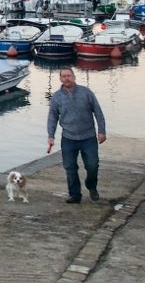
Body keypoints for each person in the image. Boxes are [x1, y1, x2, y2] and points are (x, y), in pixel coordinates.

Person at [47, 67, 106, 203]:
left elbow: (98, 111)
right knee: (70, 167)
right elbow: (52, 117)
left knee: (92, 165)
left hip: (88, 137)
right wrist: (51, 136)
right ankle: (74, 194)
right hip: (68, 138)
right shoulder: (56, 97)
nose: (67, 78)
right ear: (60, 79)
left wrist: (102, 131)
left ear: (74, 77)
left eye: (69, 75)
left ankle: (91, 186)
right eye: (64, 76)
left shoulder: (86, 92)